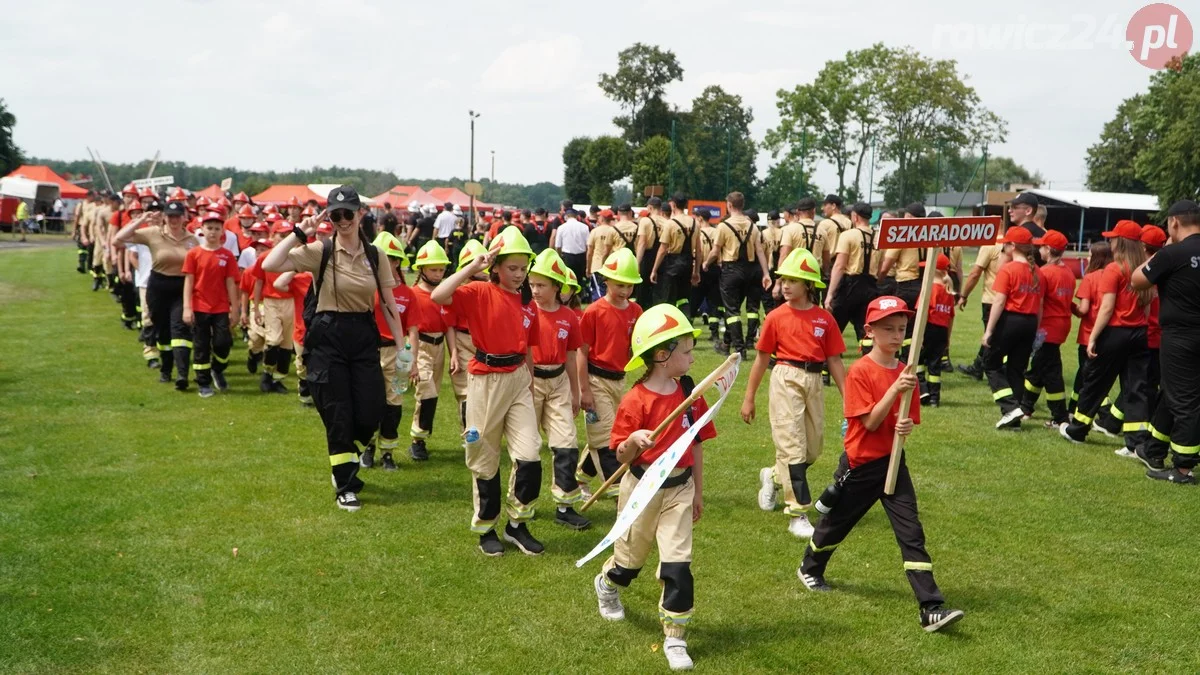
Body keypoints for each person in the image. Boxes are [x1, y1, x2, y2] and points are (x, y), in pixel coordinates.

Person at [799, 296, 964, 633]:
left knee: (911, 532)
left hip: (893, 463)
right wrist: (895, 391)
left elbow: (906, 420)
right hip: (861, 466)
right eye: (888, 329)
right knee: (836, 526)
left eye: (901, 329)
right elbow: (871, 423)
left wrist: (905, 427)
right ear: (869, 331)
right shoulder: (860, 371)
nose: (895, 335)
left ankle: (930, 607)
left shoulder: (906, 373)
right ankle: (810, 568)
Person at [262, 185, 406, 512]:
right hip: (329, 336)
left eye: (348, 214)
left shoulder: (376, 255)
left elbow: (388, 304)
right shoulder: (319, 250)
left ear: (360, 214)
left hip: (364, 334)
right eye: (335, 215)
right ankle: (346, 484)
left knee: (371, 409)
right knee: (339, 412)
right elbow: (271, 264)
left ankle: (346, 458)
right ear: (329, 217)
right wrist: (300, 232)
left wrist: (401, 346)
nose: (343, 220)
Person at [592, 304, 713, 672]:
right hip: (642, 488)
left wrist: (698, 491)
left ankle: (675, 636)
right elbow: (621, 454)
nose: (693, 356)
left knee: (678, 565)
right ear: (663, 356)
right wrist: (634, 440)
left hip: (680, 489)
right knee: (629, 564)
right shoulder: (635, 400)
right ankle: (607, 582)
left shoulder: (691, 393)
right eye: (687, 351)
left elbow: (696, 444)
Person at [431, 226, 547, 557]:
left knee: (530, 455)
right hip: (484, 380)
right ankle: (486, 528)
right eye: (512, 267)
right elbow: (440, 295)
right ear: (495, 267)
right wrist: (472, 267)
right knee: (484, 456)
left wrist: (531, 382)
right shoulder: (479, 291)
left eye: (523, 268)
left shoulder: (528, 304)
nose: (519, 274)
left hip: (518, 380)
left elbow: (528, 349)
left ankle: (517, 524)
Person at [741, 249, 846, 538]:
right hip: (785, 377)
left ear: (809, 285)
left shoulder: (825, 319)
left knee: (812, 449)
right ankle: (797, 512)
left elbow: (835, 361)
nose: (784, 285)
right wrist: (749, 397)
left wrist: (850, 399)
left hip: (814, 380)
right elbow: (761, 358)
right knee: (793, 448)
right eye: (783, 279)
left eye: (793, 280)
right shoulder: (775, 317)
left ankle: (772, 476)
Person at [1059, 221, 1152, 446]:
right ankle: (1136, 442)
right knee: (1135, 388)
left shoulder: (1114, 269)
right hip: (1139, 333)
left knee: (1096, 382)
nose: (1110, 241)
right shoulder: (1144, 269)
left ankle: (1078, 429)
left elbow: (1107, 308)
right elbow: (1147, 305)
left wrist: (1093, 337)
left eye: (1112, 238)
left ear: (1120, 242)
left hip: (1115, 333)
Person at [1132, 200, 1200, 483]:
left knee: (1185, 400)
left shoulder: (1172, 253)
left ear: (1173, 223)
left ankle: (1183, 467)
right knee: (1172, 391)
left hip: (1180, 335)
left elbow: (1137, 280)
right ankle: (1154, 448)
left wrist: (1159, 252)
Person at [527, 249, 590, 530]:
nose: (535, 290)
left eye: (541, 285)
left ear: (557, 286)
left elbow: (570, 356)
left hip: (559, 383)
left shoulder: (569, 317)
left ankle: (565, 506)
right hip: (530, 382)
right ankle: (522, 506)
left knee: (566, 444)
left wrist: (575, 392)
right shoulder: (526, 311)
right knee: (526, 449)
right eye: (532, 284)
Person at [577, 248, 644, 494]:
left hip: (620, 380)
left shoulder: (636, 312)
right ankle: (619, 488)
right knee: (606, 439)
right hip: (596, 379)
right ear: (605, 281)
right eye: (619, 285)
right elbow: (581, 352)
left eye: (629, 286)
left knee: (607, 432)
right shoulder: (593, 312)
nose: (625, 291)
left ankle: (580, 477)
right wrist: (584, 390)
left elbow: (638, 346)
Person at [114, 199, 197, 390]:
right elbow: (118, 239)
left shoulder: (192, 240)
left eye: (177, 216)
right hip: (158, 286)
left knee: (180, 328)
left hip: (182, 287)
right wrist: (141, 219)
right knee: (162, 330)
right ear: (164, 217)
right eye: (170, 216)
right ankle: (166, 368)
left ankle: (182, 374)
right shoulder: (152, 233)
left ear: (184, 217)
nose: (174, 220)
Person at [360, 231, 420, 471]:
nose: (386, 263)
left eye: (391, 259)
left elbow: (413, 331)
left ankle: (387, 453)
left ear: (397, 262)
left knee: (393, 405)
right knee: (369, 402)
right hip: (369, 352)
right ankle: (368, 448)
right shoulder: (365, 289)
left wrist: (412, 361)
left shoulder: (408, 294)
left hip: (398, 354)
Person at [983, 227, 1043, 430]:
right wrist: (1037, 329)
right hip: (1030, 323)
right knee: (1017, 369)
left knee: (990, 364)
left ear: (1013, 246)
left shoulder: (1008, 269)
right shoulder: (1038, 273)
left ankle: (1010, 408)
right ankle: (1014, 419)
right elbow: (1040, 306)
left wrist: (989, 330)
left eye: (1006, 243)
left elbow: (999, 302)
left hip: (1010, 321)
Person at [703, 192, 771, 357]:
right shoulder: (752, 226)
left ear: (730, 205)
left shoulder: (723, 226)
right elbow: (760, 251)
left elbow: (716, 250)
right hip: (752, 271)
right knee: (747, 309)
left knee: (732, 311)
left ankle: (740, 349)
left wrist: (706, 263)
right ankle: (727, 344)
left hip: (732, 270)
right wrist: (766, 273)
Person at [1019, 230, 1076, 427]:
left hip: (1047, 328)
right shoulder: (1068, 272)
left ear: (1049, 250)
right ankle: (1025, 406)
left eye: (1042, 246)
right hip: (1061, 326)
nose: (1038, 249)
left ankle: (1060, 416)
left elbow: (1039, 303)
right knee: (1038, 369)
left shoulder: (1044, 273)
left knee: (1051, 373)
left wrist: (1032, 327)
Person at [182, 212, 240, 398]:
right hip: (199, 307)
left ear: (222, 231)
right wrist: (187, 307)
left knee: (223, 343)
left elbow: (231, 283)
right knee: (201, 345)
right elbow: (189, 282)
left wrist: (235, 308)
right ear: (202, 229)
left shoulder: (227, 255)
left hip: (221, 307)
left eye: (217, 228)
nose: (213, 232)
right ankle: (203, 382)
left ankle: (218, 368)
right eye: (209, 228)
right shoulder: (193, 254)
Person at [407, 240, 452, 461]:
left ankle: (420, 438)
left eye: (441, 269)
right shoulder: (413, 294)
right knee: (427, 391)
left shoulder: (445, 295)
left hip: (439, 347)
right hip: (420, 345)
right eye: (433, 269)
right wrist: (411, 357)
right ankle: (417, 440)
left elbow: (449, 326)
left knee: (432, 394)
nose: (438, 274)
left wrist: (453, 353)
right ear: (422, 269)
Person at [443, 240, 490, 430]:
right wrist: (453, 353)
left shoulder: (490, 291)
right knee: (465, 392)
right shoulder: (457, 293)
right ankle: (468, 433)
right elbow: (450, 325)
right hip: (463, 341)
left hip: (485, 343)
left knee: (486, 392)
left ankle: (483, 433)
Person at [252, 222, 300, 394]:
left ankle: (278, 379)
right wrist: (256, 308)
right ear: (272, 237)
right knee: (273, 340)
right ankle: (266, 375)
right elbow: (258, 283)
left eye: (288, 235)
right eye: (281, 234)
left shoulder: (296, 256)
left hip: (291, 302)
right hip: (271, 301)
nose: (285, 238)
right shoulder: (264, 257)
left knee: (287, 344)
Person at [824, 202, 879, 351]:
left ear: (855, 216)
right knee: (866, 331)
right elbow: (882, 265)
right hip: (870, 285)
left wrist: (830, 294)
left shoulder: (848, 235)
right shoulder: (878, 237)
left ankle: (824, 370)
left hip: (849, 285)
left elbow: (840, 266)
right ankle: (868, 363)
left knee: (833, 327)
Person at [1067, 242, 1112, 416]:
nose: (1087, 258)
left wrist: (1069, 305)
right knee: (1087, 374)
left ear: (1097, 258)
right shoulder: (1116, 274)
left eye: (1090, 255)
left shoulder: (1091, 278)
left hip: (1088, 334)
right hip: (1108, 334)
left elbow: (1083, 310)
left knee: (1088, 376)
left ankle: (1103, 411)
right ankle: (1073, 408)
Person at [956, 238, 1005, 380]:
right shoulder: (1013, 244)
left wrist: (964, 295)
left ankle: (992, 372)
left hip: (992, 299)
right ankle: (978, 366)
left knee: (991, 338)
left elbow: (975, 273)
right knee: (995, 336)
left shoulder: (991, 245)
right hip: (1009, 299)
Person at [651, 193, 701, 315]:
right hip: (688, 262)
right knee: (684, 297)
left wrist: (654, 269)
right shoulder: (695, 223)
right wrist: (696, 271)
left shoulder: (670, 223)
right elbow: (699, 251)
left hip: (672, 263)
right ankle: (686, 321)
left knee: (668, 297)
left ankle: (670, 327)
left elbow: (663, 249)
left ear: (673, 205)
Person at [916, 254, 955, 407]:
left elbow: (923, 313)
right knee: (935, 364)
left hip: (929, 329)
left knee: (917, 359)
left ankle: (922, 389)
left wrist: (919, 336)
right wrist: (948, 338)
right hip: (942, 331)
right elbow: (951, 317)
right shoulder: (949, 291)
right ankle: (934, 398)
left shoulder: (930, 289)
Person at [691, 210, 723, 343]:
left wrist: (695, 270)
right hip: (715, 269)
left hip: (700, 268)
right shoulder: (716, 232)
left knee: (694, 300)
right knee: (714, 301)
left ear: (700, 218)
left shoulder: (696, 233)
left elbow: (695, 252)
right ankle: (714, 333)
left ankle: (688, 330)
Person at [634, 197, 667, 308]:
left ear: (650, 207)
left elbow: (642, 243)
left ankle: (642, 311)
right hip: (663, 258)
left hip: (648, 257)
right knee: (658, 290)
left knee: (643, 289)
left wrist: (637, 263)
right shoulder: (667, 222)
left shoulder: (645, 221)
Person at [553, 208, 591, 290]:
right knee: (579, 279)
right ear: (576, 216)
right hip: (581, 256)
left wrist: (560, 257)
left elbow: (558, 246)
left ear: (566, 216)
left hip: (567, 256)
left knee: (568, 279)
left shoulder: (561, 228)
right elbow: (588, 245)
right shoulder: (585, 227)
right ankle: (579, 296)